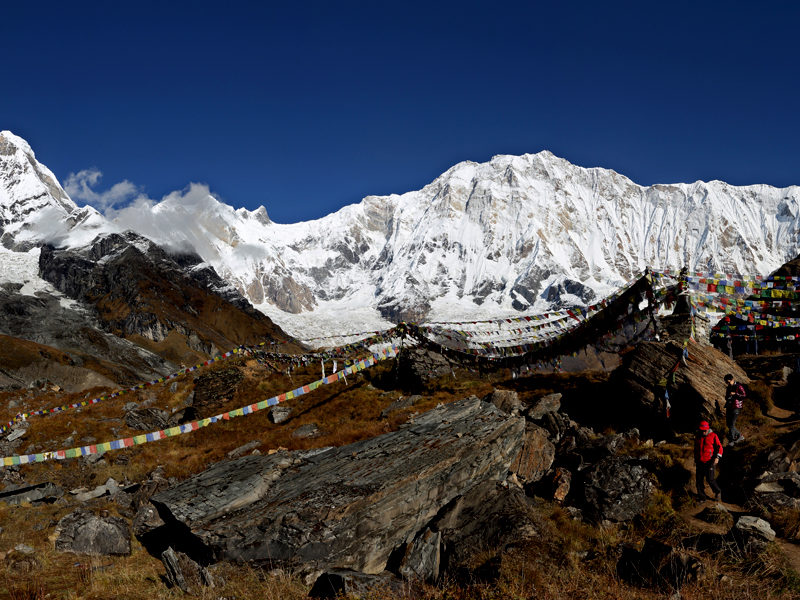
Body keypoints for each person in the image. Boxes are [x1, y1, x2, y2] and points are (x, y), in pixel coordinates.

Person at [694, 420, 723, 501]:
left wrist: (717, 457)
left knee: (710, 479)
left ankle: (718, 492)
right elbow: (696, 449)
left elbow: (719, 447)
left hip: (710, 461)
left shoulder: (713, 436)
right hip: (700, 462)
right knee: (699, 481)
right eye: (702, 430)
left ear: (708, 429)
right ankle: (702, 497)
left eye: (705, 430)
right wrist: (695, 459)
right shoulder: (698, 436)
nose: (703, 432)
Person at [723, 373, 746, 446]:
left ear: (732, 380)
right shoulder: (728, 387)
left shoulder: (739, 386)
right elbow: (726, 397)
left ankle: (732, 440)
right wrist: (728, 396)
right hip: (729, 406)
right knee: (728, 424)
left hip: (736, 407)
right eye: (726, 382)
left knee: (732, 424)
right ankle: (739, 436)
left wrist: (735, 394)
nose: (727, 383)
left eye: (728, 382)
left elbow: (744, 395)